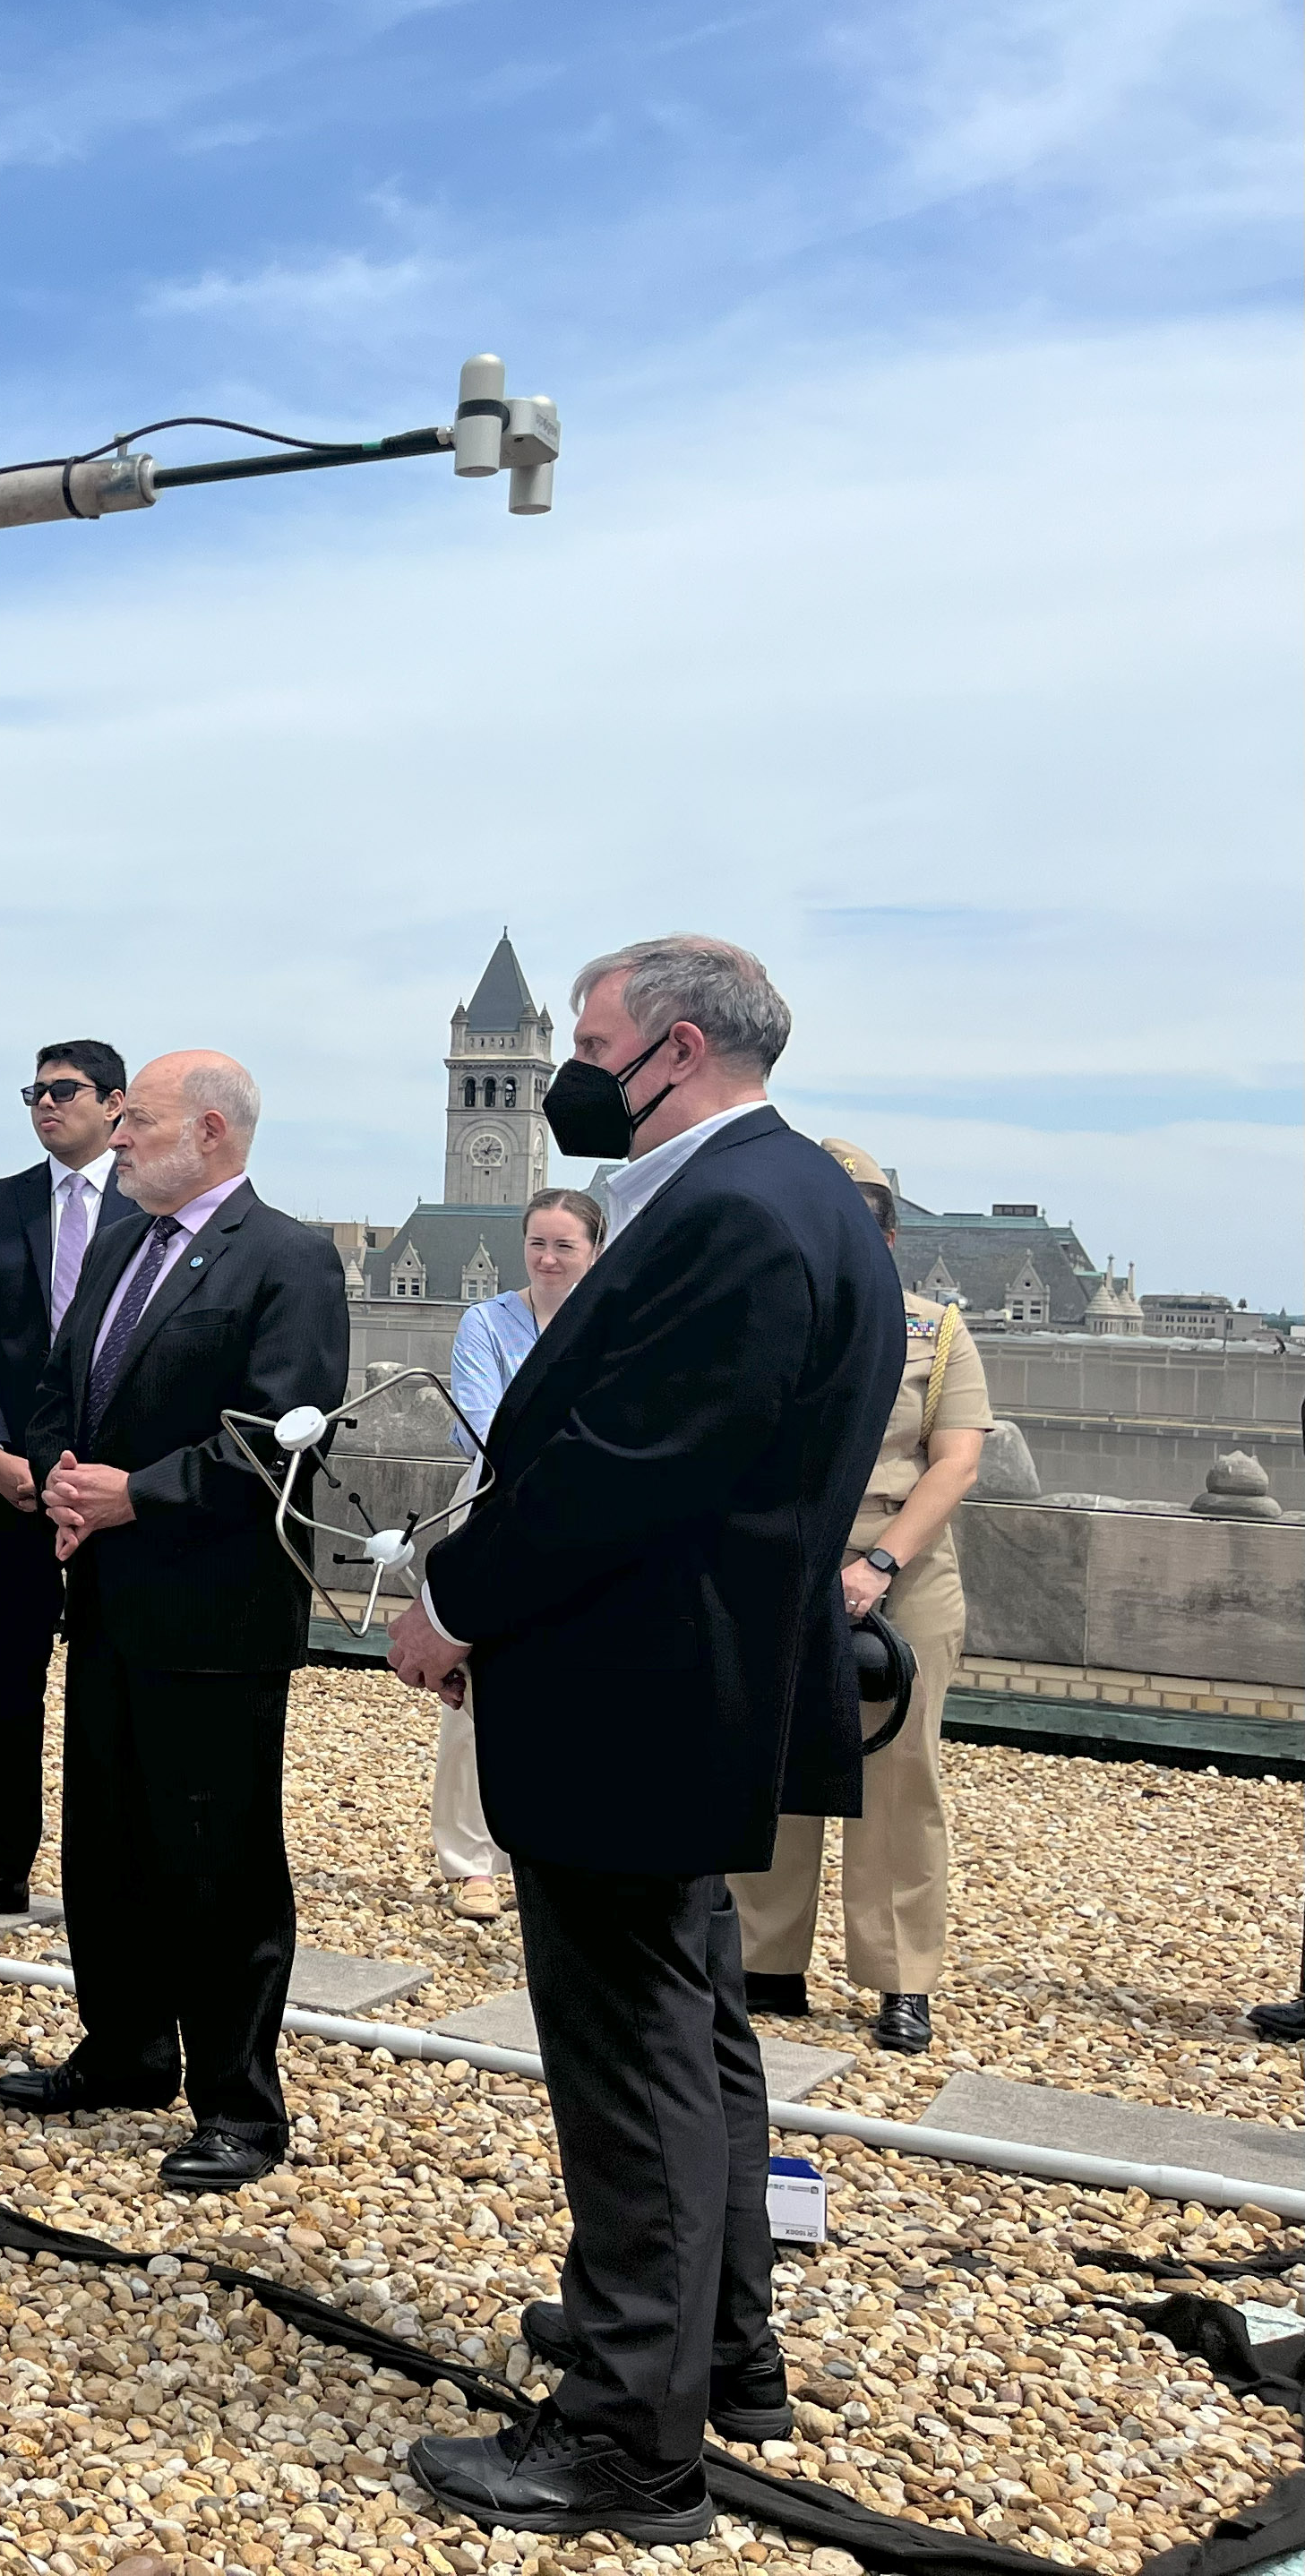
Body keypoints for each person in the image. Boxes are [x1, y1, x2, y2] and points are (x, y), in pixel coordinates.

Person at [391, 934, 898, 2542]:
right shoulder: (792, 1194)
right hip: (671, 1689)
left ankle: (626, 2436)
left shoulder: (737, 1210)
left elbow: (628, 1465)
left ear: (670, 1048)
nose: (573, 1073)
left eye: (593, 1039)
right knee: (695, 2037)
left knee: (632, 2069)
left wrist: (454, 1599)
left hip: (642, 1697)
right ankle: (707, 2345)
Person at [0, 1053, 349, 2196]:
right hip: (101, 1596)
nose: (117, 1139)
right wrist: (60, 1482)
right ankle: (124, 2052)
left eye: (136, 1122)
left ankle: (240, 2105)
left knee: (219, 1864)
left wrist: (134, 1495)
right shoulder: (115, 1242)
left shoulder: (288, 1260)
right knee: (105, 1844)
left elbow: (280, 1437)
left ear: (208, 1131)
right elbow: (67, 1389)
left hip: (213, 1613)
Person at [732, 1138, 986, 2054]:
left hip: (901, 1568)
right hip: (787, 1564)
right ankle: (764, 1959)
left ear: (881, 1236)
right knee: (773, 1762)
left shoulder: (939, 1330)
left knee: (899, 1780)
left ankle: (899, 1979)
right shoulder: (766, 1314)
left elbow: (955, 1458)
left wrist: (879, 1567)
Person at [0, 1041, 139, 1921]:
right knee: (6, 1682)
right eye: (34, 1092)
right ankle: (0, 1863)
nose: (46, 1105)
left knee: (117, 1688)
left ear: (115, 1103)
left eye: (64, 1091)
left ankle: (117, 1873)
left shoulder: (156, 1204)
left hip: (118, 1498)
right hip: (7, 1488)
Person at [431, 1187, 607, 1924]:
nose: (548, 1258)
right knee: (475, 1696)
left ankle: (558, 1850)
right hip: (494, 1523)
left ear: (595, 1252)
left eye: (565, 1246)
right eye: (538, 1243)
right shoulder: (485, 1323)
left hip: (591, 1532)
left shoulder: (613, 1325)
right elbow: (483, 1424)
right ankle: (471, 1862)